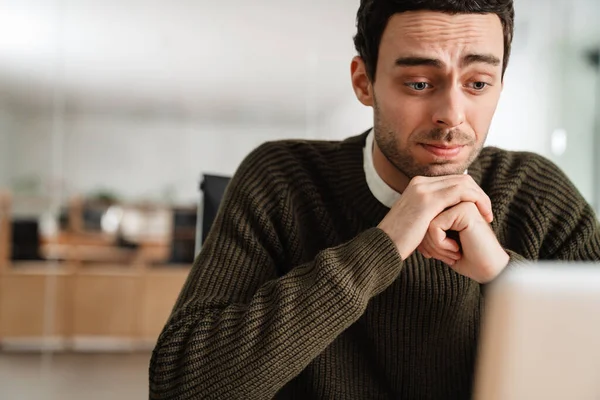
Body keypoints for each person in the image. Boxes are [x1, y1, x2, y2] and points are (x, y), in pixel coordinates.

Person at [149, 0, 600, 398]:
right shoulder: (280, 181)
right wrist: (382, 246)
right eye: (420, 83)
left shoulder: (539, 193)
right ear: (364, 82)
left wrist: (503, 275)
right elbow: (182, 387)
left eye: (478, 83)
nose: (452, 114)